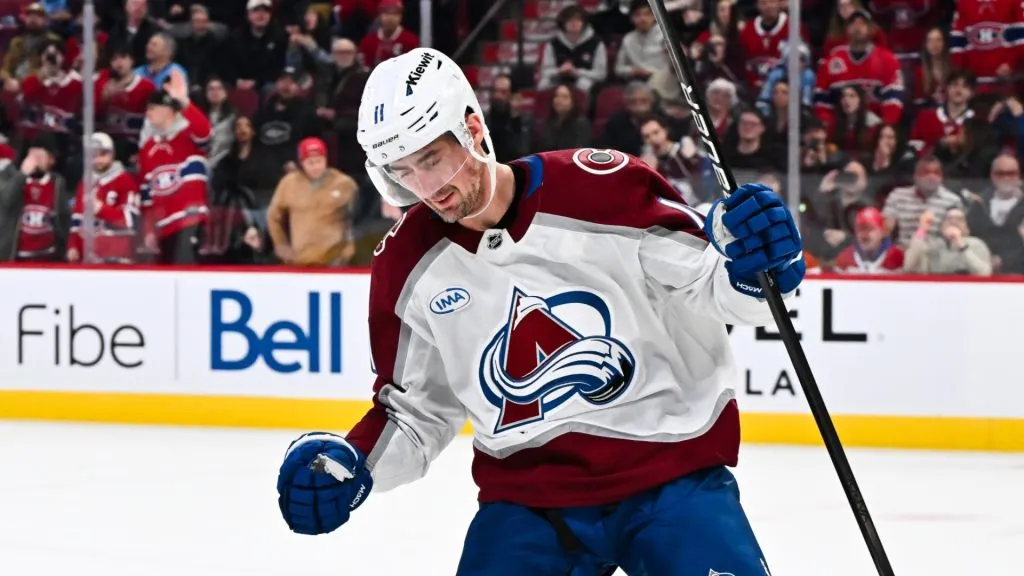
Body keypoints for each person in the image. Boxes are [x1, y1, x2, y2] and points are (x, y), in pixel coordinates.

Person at [275, 48, 805, 575]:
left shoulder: (602, 187)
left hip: (671, 475)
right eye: (404, 171)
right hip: (532, 501)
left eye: (433, 158)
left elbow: (715, 287)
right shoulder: (405, 264)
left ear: (473, 127)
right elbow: (416, 414)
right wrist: (352, 464)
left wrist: (762, 269)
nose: (427, 188)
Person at [138, 69, 212, 264]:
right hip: (163, 227)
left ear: (169, 109)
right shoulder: (148, 147)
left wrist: (185, 103)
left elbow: (205, 134)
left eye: (153, 108)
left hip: (189, 220)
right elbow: (146, 193)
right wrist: (148, 229)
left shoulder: (188, 136)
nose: (148, 113)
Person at [266, 137, 358, 266]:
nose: (315, 166)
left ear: (326, 160)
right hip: (301, 259)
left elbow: (358, 218)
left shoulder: (344, 183)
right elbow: (273, 216)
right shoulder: (288, 184)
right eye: (310, 162)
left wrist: (350, 246)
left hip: (336, 260)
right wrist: (281, 244)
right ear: (301, 163)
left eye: (319, 161)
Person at [67, 132, 140, 264]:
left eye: (103, 154)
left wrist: (101, 209)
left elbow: (131, 220)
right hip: (90, 259)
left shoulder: (125, 180)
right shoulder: (85, 183)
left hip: (118, 259)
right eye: (93, 155)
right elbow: (77, 219)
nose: (98, 159)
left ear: (112, 154)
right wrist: (73, 245)